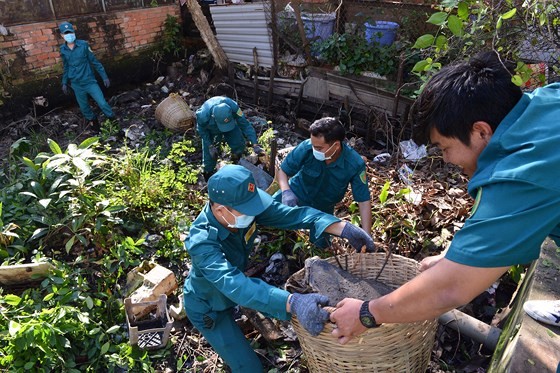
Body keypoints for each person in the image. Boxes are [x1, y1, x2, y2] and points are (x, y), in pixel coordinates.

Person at [329, 51, 560, 345]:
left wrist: (366, 312)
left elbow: (451, 288)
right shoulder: (547, 100)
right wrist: (455, 258)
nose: (447, 159)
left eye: (444, 148)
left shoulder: (521, 172)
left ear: (480, 131)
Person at [182, 164, 374, 372]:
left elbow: (292, 215)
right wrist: (293, 302)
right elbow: (235, 284)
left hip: (232, 295)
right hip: (209, 306)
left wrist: (341, 228)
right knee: (249, 367)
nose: (252, 213)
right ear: (221, 210)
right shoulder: (202, 242)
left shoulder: (243, 211)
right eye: (247, 210)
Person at [274, 117, 372, 247]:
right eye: (313, 145)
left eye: (319, 148)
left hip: (323, 207)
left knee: (321, 245)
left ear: (336, 145)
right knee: (265, 213)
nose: (315, 150)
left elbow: (363, 201)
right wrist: (286, 191)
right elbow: (283, 171)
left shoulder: (354, 164)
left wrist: (366, 235)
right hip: (297, 192)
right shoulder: (307, 148)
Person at [58, 21, 115, 132]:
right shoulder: (63, 50)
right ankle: (95, 126)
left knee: (102, 103)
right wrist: (64, 82)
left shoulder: (83, 45)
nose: (69, 35)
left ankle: (114, 122)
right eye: (66, 33)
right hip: (76, 84)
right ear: (62, 35)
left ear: (74, 33)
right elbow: (66, 66)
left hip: (89, 81)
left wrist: (104, 76)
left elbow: (94, 62)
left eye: (70, 32)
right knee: (84, 108)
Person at [195, 96, 265, 180]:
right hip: (212, 129)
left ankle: (236, 160)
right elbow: (202, 131)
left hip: (231, 126)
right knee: (210, 155)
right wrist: (210, 146)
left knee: (238, 142)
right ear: (213, 116)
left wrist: (255, 144)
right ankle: (208, 173)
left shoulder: (234, 107)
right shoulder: (203, 116)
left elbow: (245, 124)